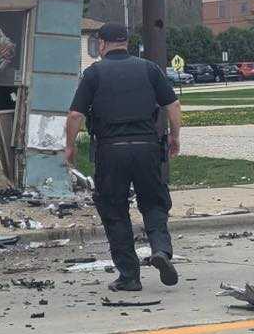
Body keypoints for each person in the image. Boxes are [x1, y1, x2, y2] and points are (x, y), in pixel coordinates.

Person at [65, 23, 182, 292]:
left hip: (111, 151)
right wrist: (175, 137)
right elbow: (172, 105)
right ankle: (161, 250)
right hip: (146, 146)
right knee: (154, 202)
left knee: (115, 211)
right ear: (126, 42)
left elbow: (75, 116)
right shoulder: (149, 69)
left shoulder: (93, 73)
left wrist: (69, 146)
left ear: (102, 44)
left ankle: (129, 276)